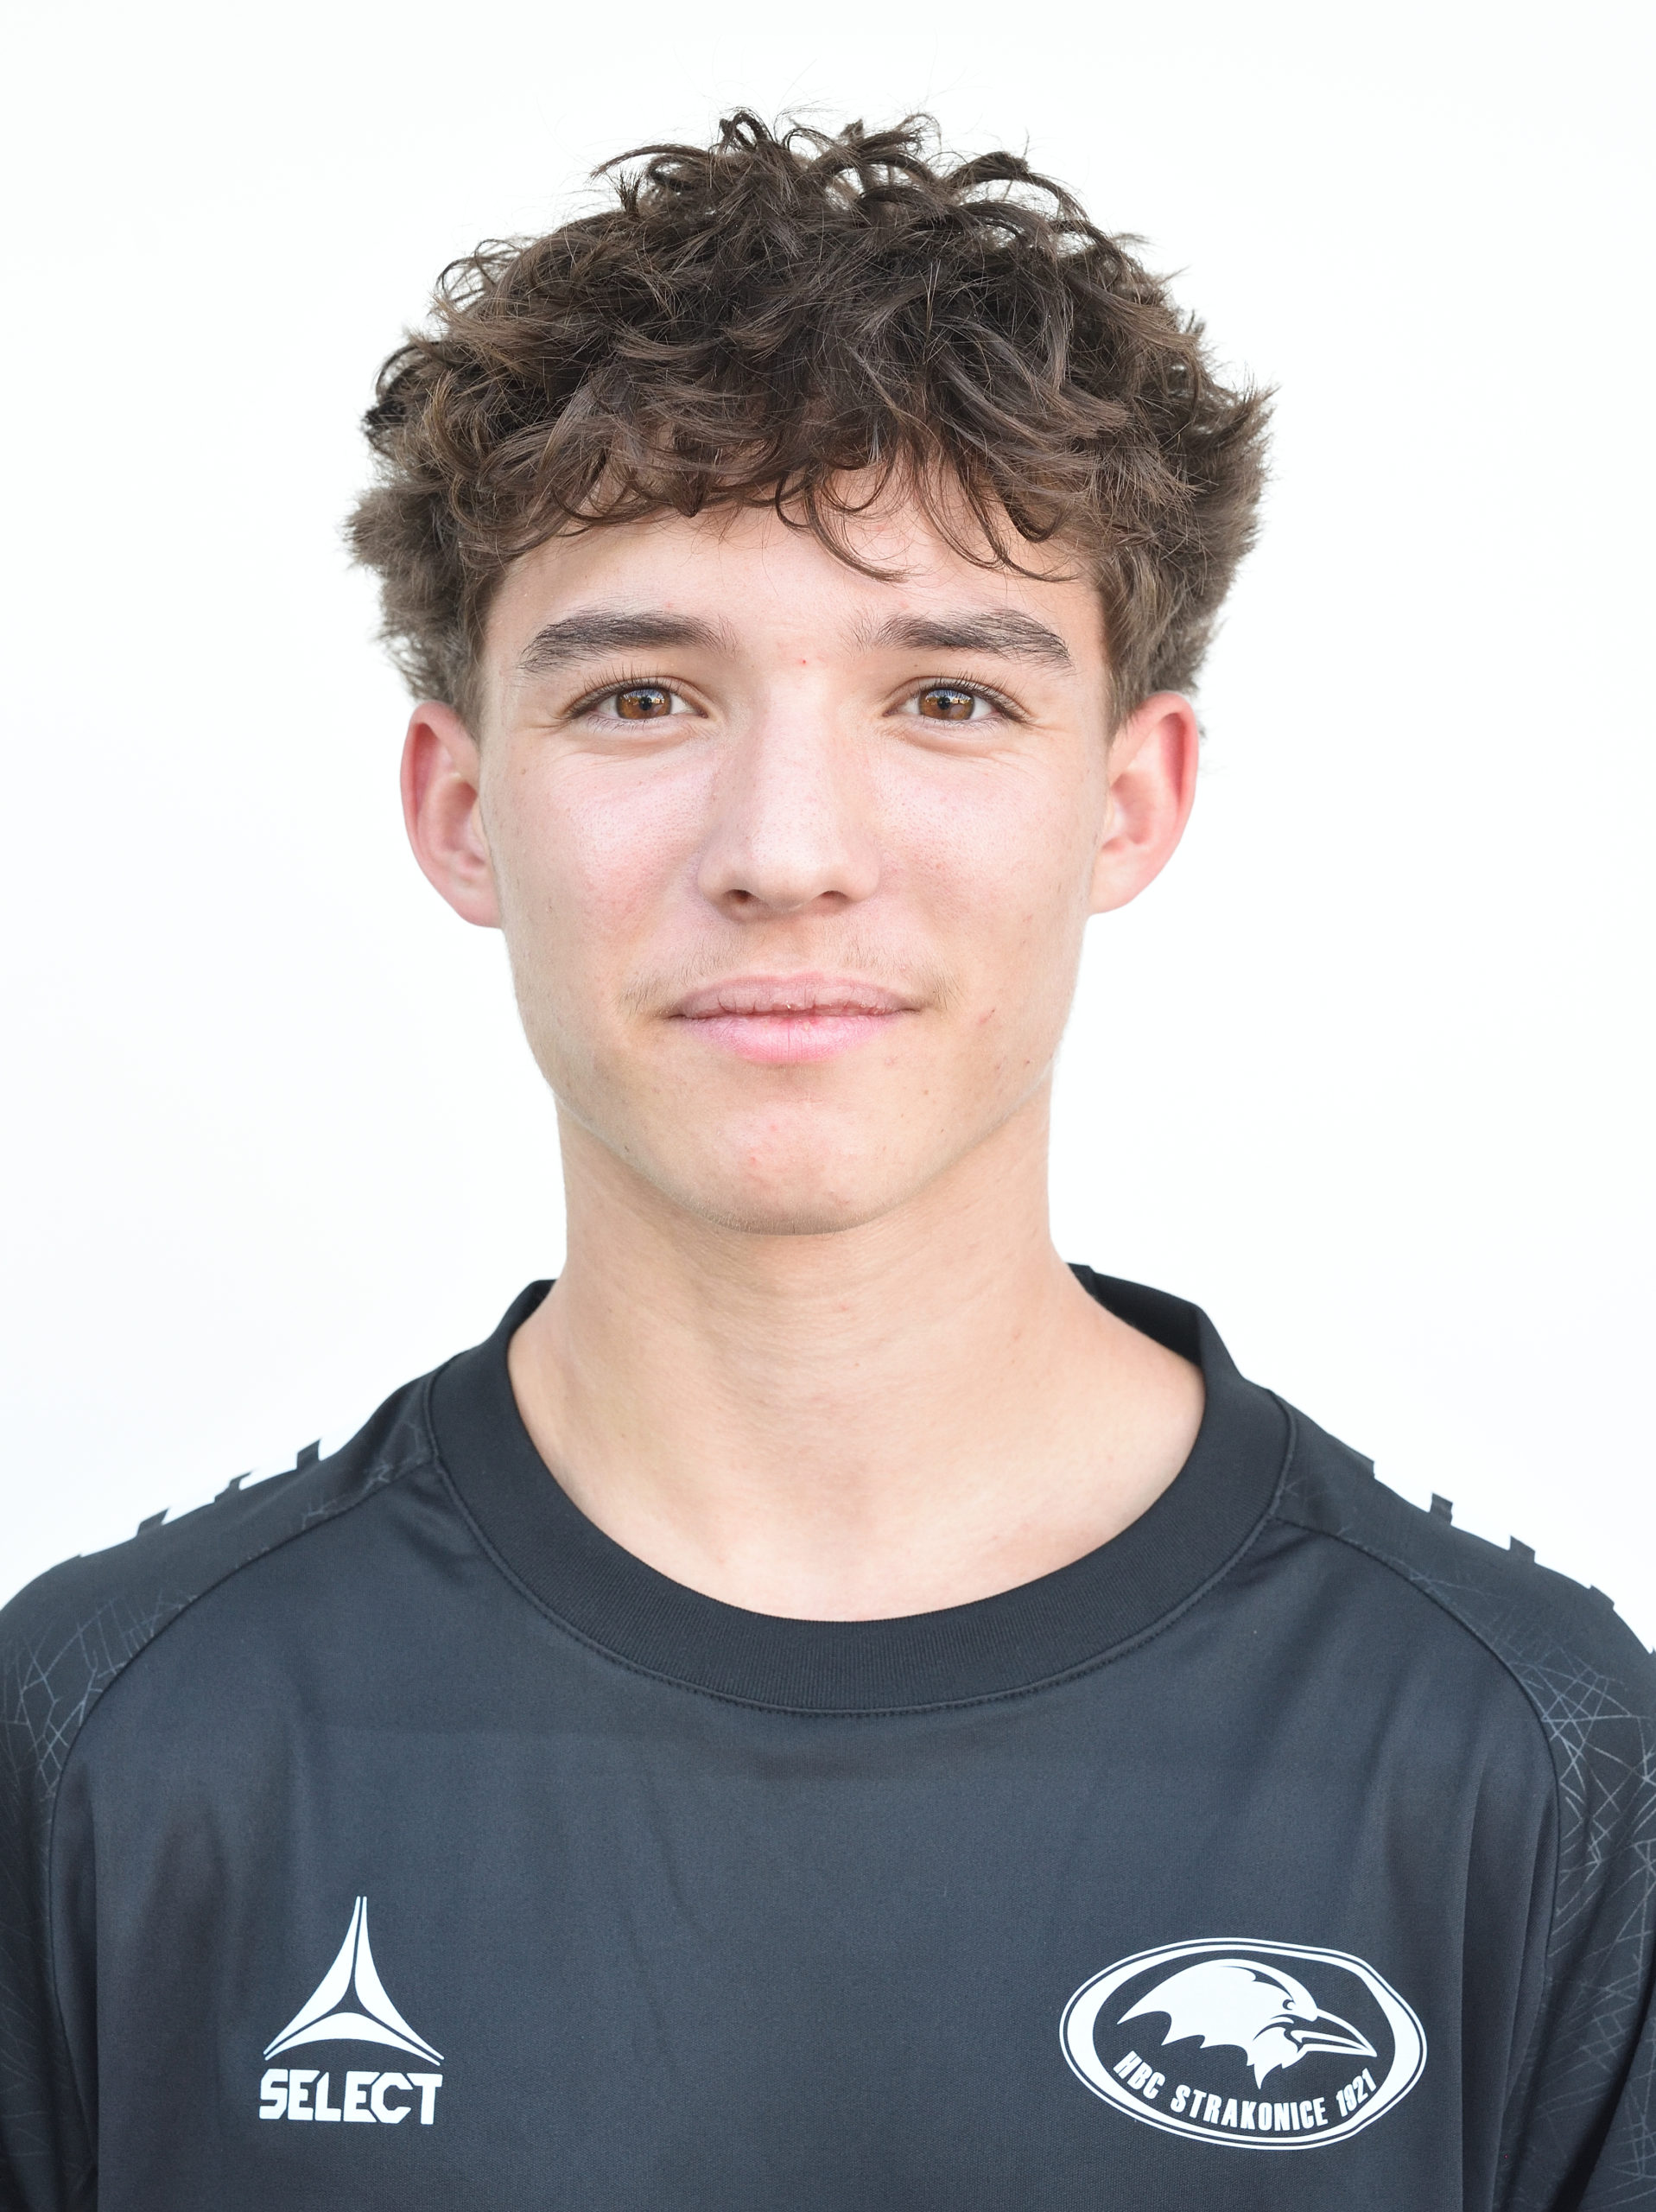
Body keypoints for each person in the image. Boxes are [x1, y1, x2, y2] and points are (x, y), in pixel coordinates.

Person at [1, 112, 1651, 2212]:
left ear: (1128, 800)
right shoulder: (114, 1744)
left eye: (945, 696)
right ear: (460, 807)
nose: (784, 849)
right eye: (640, 699)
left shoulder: (1528, 1761)